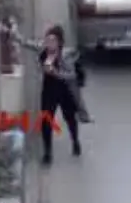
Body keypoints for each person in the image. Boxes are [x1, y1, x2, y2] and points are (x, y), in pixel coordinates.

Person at [15, 24, 86, 165]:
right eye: (47, 40)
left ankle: (75, 141)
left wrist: (55, 73)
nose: (49, 44)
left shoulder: (66, 55)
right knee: (46, 121)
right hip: (49, 90)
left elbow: (71, 75)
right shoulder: (43, 50)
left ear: (59, 42)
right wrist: (15, 36)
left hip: (65, 90)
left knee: (70, 118)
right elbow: (28, 44)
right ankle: (47, 153)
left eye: (53, 41)